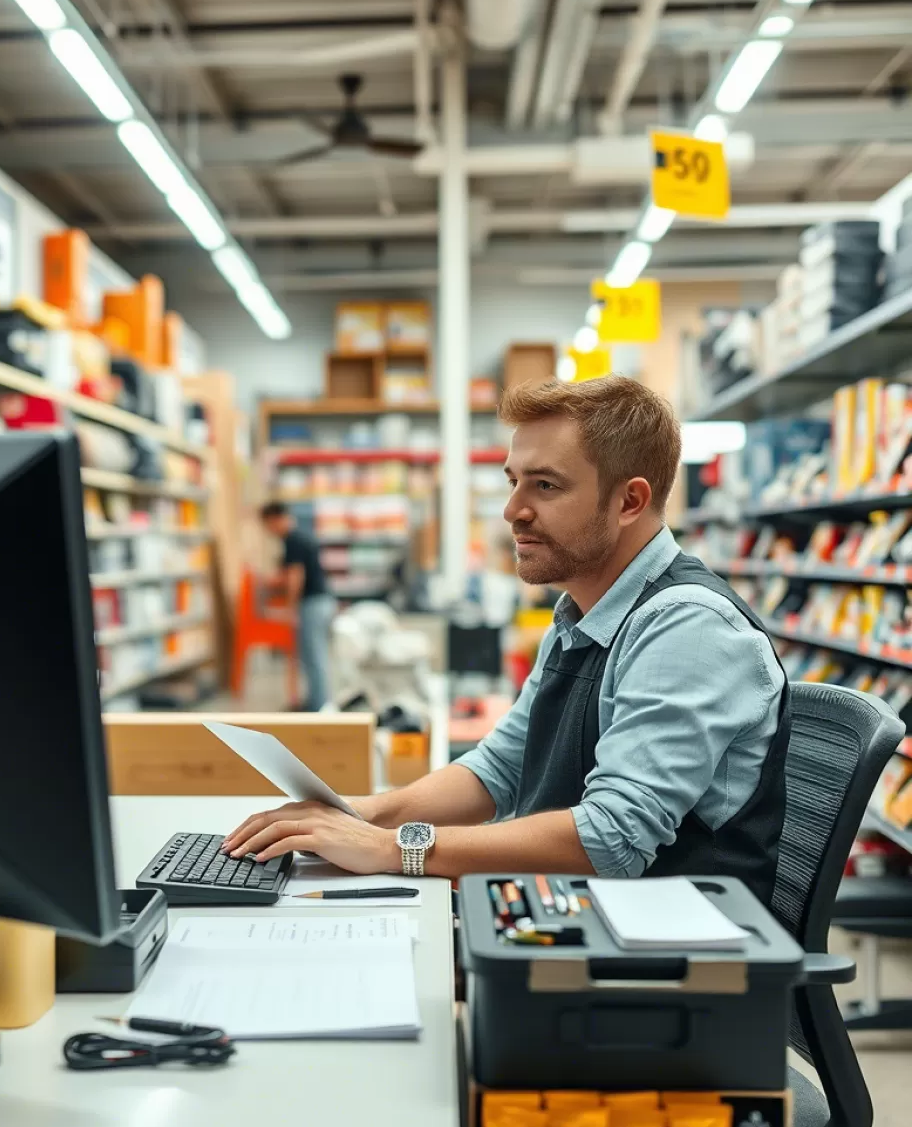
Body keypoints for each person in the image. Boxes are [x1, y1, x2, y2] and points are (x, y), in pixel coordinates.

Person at [226, 377, 789, 904]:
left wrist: (397, 848)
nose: (513, 510)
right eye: (513, 480)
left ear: (629, 501)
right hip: (580, 924)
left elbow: (611, 838)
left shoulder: (688, 627)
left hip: (670, 971)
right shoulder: (582, 615)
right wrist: (362, 814)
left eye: (545, 485)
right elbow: (499, 769)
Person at [259, 501, 335, 712]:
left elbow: (295, 577)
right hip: (319, 602)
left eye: (267, 525)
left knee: (314, 656)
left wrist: (290, 609)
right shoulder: (301, 536)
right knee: (312, 656)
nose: (268, 531)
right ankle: (315, 702)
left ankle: (319, 706)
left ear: (275, 519)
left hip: (312, 603)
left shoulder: (293, 540)